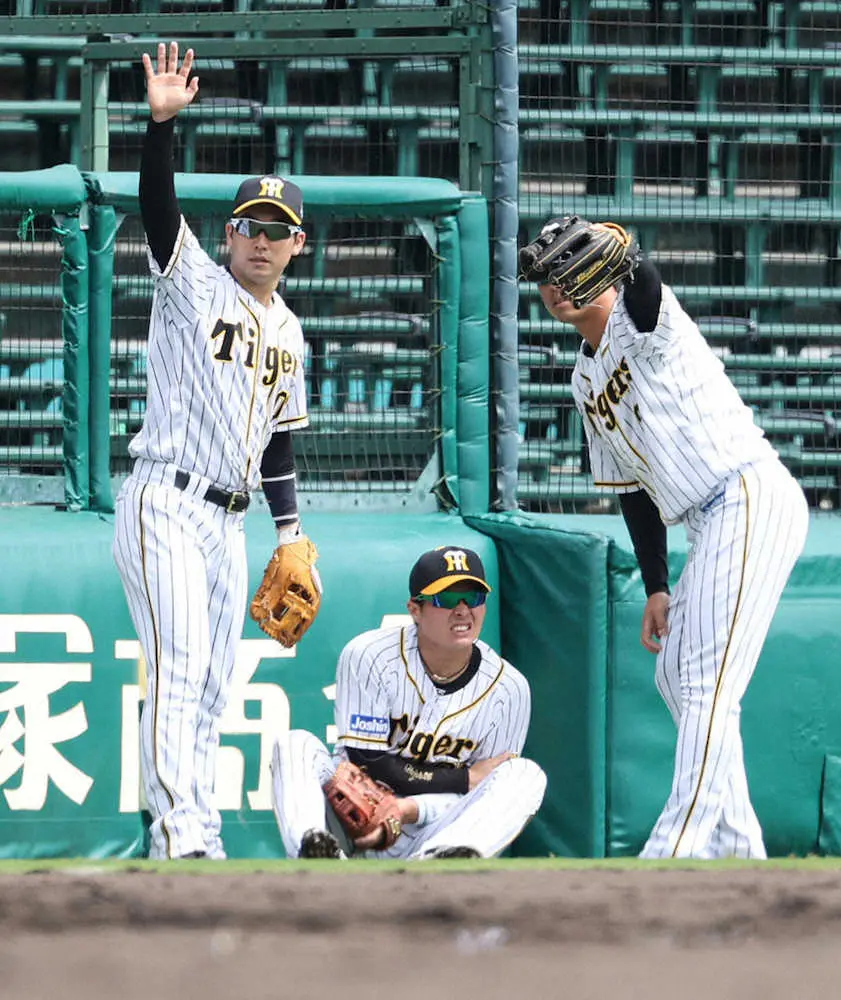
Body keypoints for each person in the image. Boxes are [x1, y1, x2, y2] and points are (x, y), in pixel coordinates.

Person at [524, 217, 809, 859]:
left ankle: (674, 848)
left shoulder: (642, 319)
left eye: (568, 271)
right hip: (706, 520)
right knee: (674, 678)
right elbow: (629, 487)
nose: (555, 288)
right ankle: (739, 849)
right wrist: (656, 583)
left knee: (705, 681)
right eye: (546, 278)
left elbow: (644, 284)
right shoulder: (583, 378)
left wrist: (626, 254)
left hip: (748, 493)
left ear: (598, 271)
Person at [112, 42, 316, 859]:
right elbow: (160, 213)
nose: (260, 242)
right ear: (229, 234)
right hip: (166, 495)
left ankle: (188, 843)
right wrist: (160, 131)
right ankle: (183, 828)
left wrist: (291, 532)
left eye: (277, 232)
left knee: (211, 687)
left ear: (298, 245)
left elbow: (276, 442)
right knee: (178, 665)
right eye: (249, 227)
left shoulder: (293, 332)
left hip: (230, 524)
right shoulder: (194, 280)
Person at [271, 545, 546, 859]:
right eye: (445, 599)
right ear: (415, 609)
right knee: (295, 745)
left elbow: (488, 791)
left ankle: (446, 866)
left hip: (436, 829)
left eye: (473, 598)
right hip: (351, 823)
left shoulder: (510, 690)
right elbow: (368, 761)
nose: (462, 611)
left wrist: (409, 809)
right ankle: (316, 856)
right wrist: (464, 776)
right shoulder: (370, 656)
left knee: (525, 775)